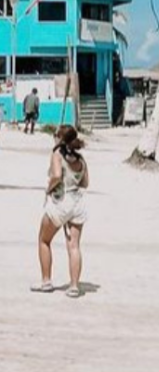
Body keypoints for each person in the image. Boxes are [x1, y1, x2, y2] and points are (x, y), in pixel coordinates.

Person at [31, 126, 89, 298]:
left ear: (60, 139)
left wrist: (48, 189)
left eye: (55, 135)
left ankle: (46, 281)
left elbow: (56, 176)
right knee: (74, 246)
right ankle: (73, 286)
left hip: (60, 202)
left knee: (44, 240)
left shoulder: (57, 155)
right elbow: (85, 183)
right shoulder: (80, 159)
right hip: (77, 203)